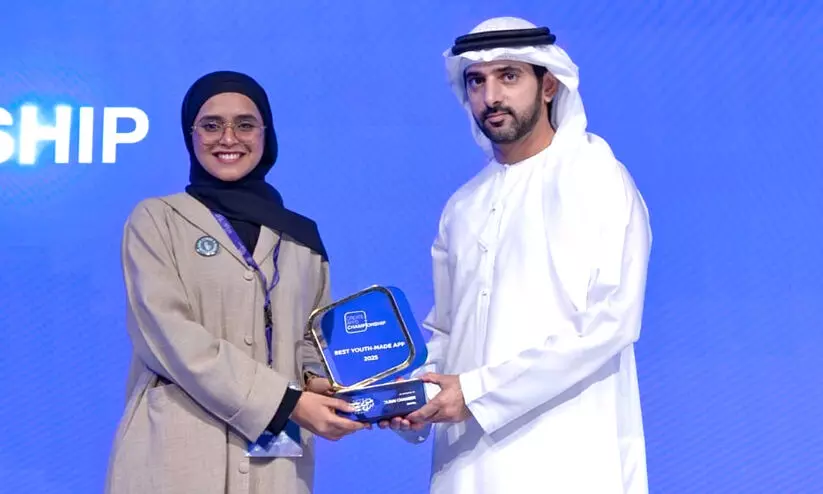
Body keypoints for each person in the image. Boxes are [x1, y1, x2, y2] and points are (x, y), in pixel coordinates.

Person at [380, 16, 653, 494]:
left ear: (548, 85)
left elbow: (612, 321)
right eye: (476, 81)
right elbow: (449, 331)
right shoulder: (463, 206)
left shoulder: (595, 176)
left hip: (568, 458)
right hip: (465, 467)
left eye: (508, 76)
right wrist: (415, 397)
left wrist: (476, 392)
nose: (491, 96)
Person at [105, 71, 366, 494]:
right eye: (211, 125)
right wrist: (288, 403)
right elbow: (169, 336)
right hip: (177, 453)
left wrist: (329, 387)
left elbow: (312, 343)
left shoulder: (302, 238)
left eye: (245, 124)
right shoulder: (157, 220)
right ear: (190, 134)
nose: (228, 138)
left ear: (266, 134)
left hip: (275, 465)